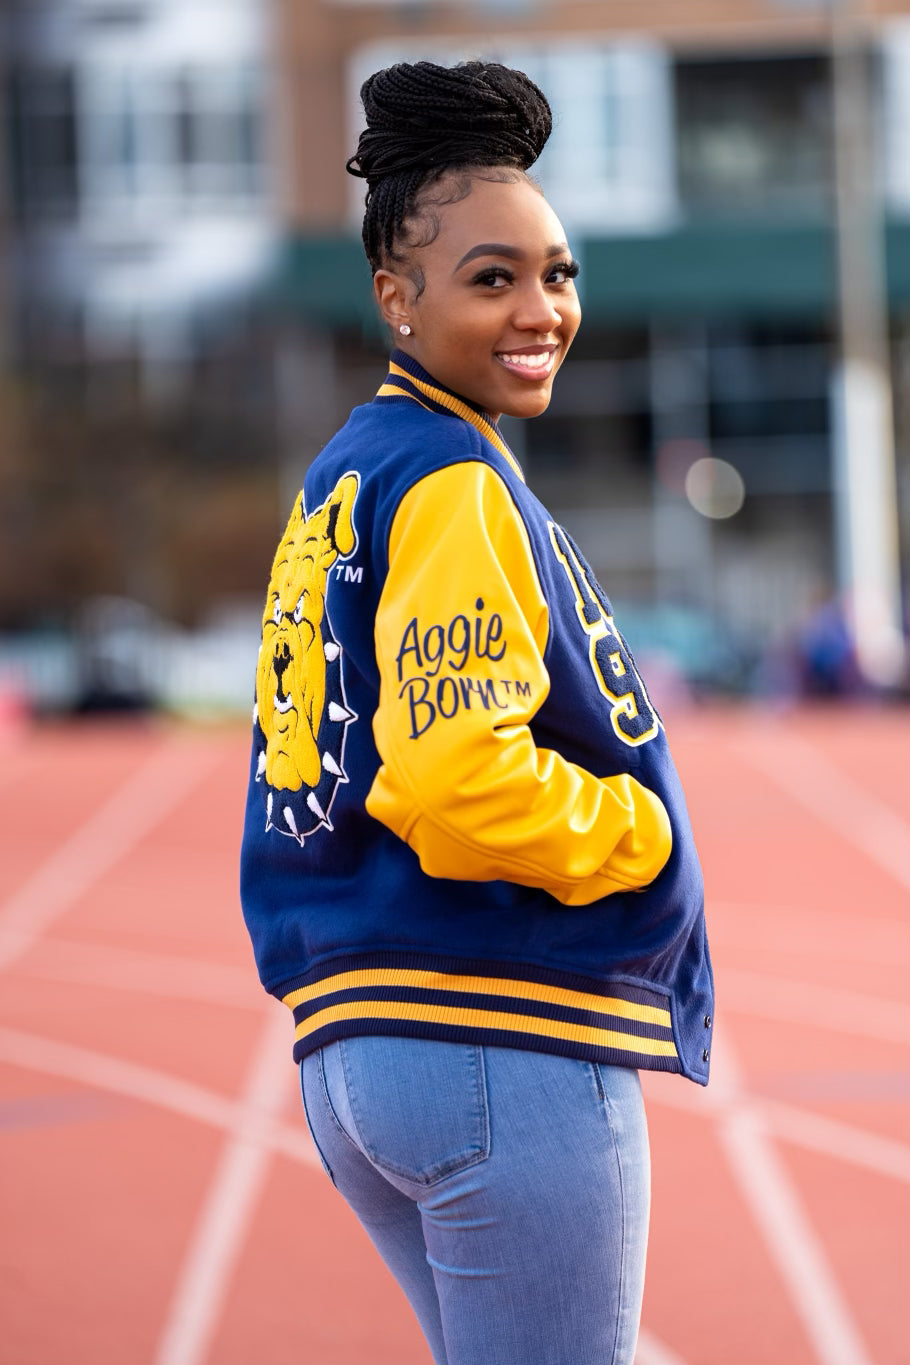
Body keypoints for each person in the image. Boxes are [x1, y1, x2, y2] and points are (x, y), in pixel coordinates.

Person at [240, 58, 713, 1365]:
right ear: (396, 297)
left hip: (364, 1043)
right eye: (492, 278)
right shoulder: (452, 478)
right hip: (493, 1033)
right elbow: (457, 779)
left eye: (557, 273)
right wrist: (640, 835)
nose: (541, 310)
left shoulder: (348, 470)